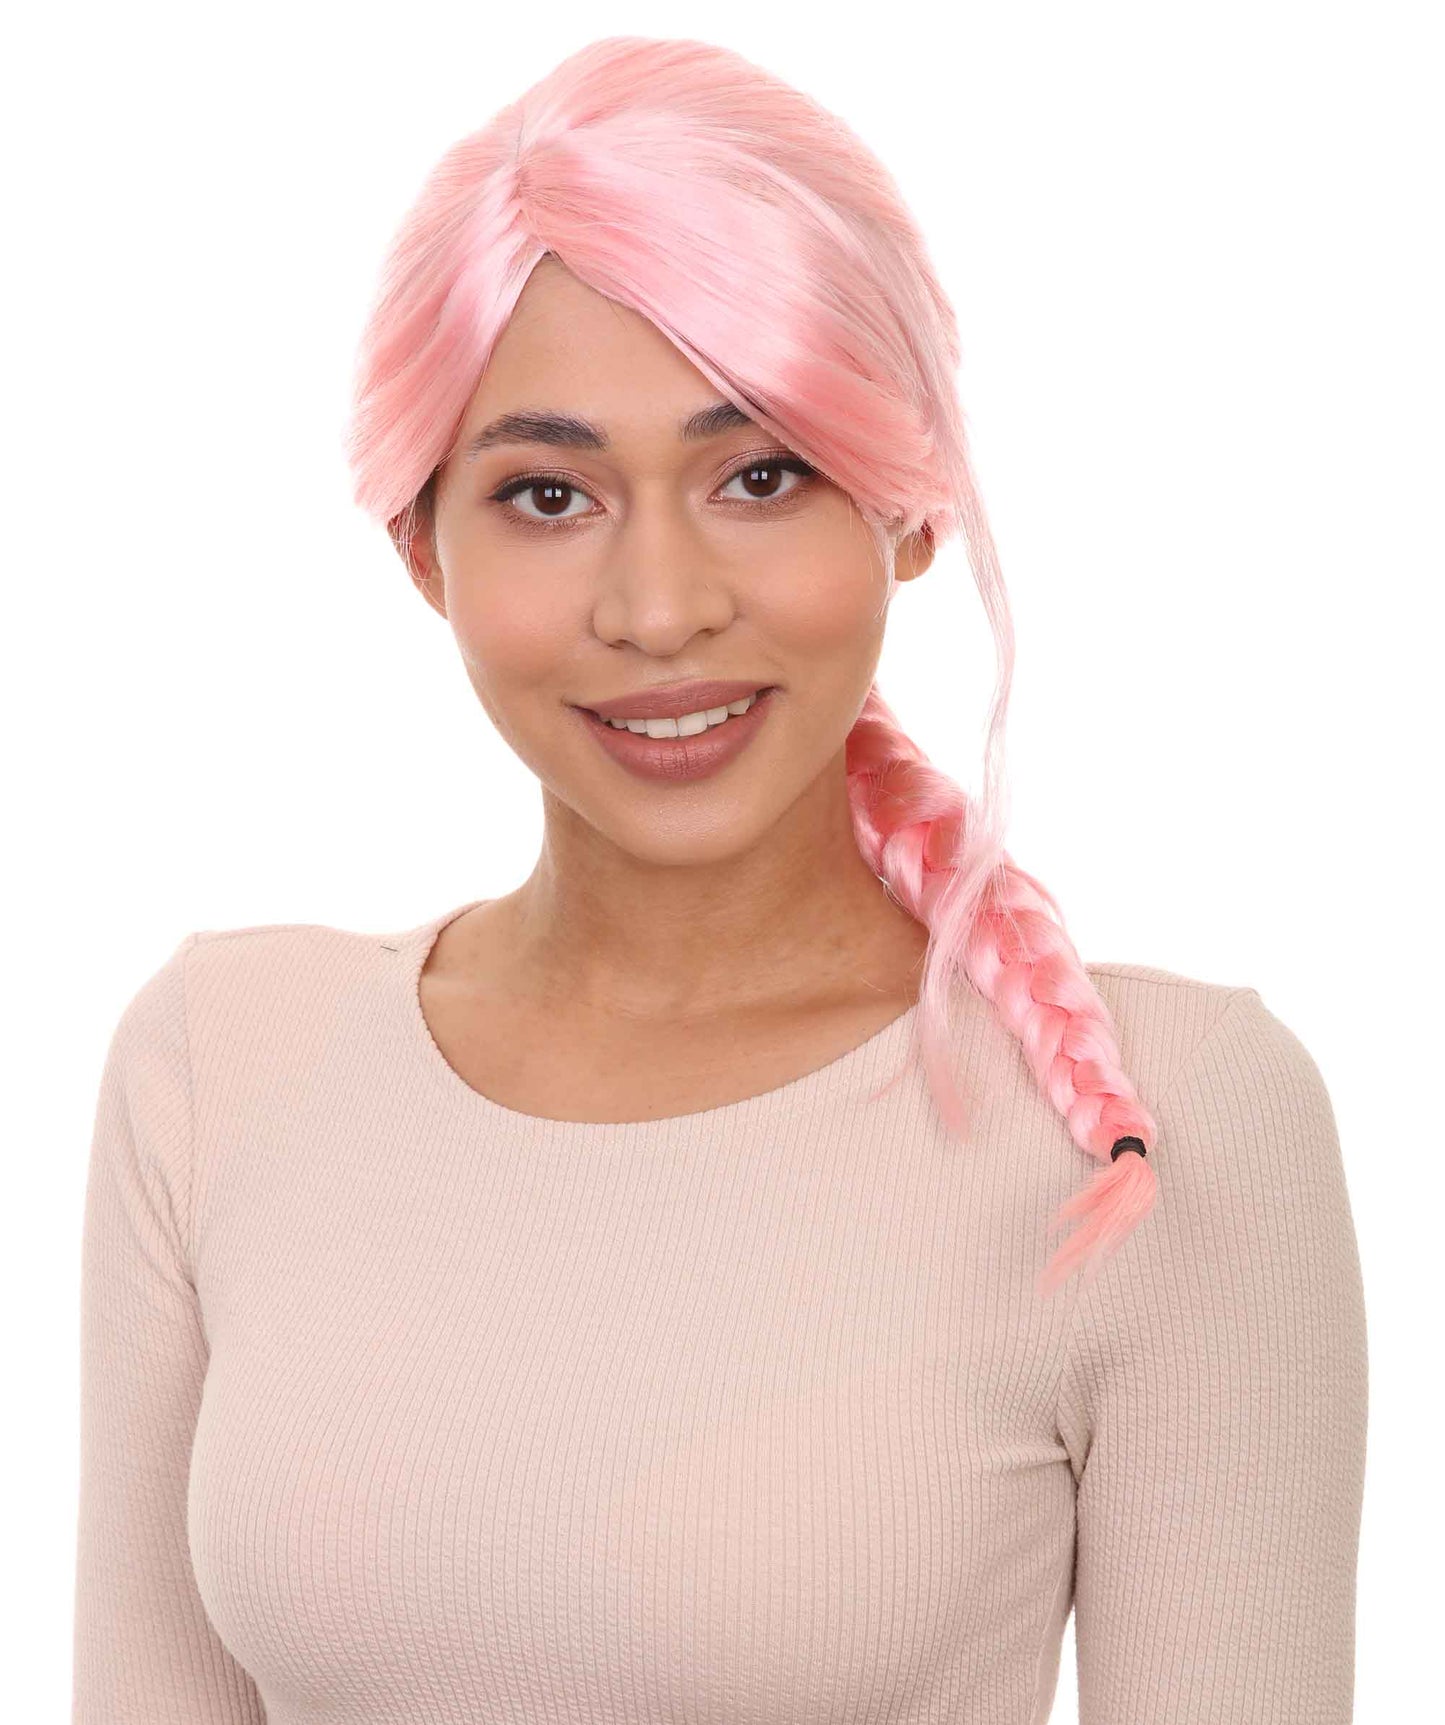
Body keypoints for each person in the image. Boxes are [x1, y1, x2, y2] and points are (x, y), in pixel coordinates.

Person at [71, 34, 1368, 1725]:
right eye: (547, 493)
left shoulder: (1153, 1115)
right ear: (420, 546)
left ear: (907, 504)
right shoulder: (220, 1064)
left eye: (761, 474)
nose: (661, 605)